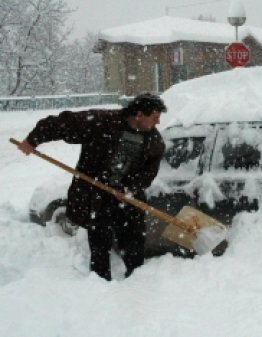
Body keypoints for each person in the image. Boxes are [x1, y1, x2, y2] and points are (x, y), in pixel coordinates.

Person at [17, 92, 167, 281]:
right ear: (139, 114)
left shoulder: (154, 141)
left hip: (128, 198)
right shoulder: (102, 122)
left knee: (134, 240)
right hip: (97, 194)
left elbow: (149, 172)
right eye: (155, 117)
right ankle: (99, 284)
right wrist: (33, 140)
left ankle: (136, 282)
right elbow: (62, 123)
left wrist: (131, 188)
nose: (158, 122)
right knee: (99, 244)